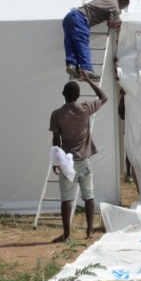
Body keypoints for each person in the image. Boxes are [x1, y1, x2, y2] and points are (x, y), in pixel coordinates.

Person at [49, 70, 108, 242]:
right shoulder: (85, 109)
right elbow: (103, 97)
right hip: (84, 160)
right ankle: (89, 231)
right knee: (88, 196)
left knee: (66, 199)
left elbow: (55, 139)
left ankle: (67, 235)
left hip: (67, 163)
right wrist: (89, 80)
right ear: (78, 95)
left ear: (63, 95)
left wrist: (56, 160)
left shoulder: (57, 115)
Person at [63, 0, 130, 81]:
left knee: (70, 42)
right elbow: (111, 23)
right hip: (81, 19)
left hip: (70, 15)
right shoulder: (115, 7)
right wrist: (118, 23)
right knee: (82, 43)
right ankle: (87, 69)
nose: (121, 9)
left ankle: (72, 65)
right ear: (122, 1)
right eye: (123, 7)